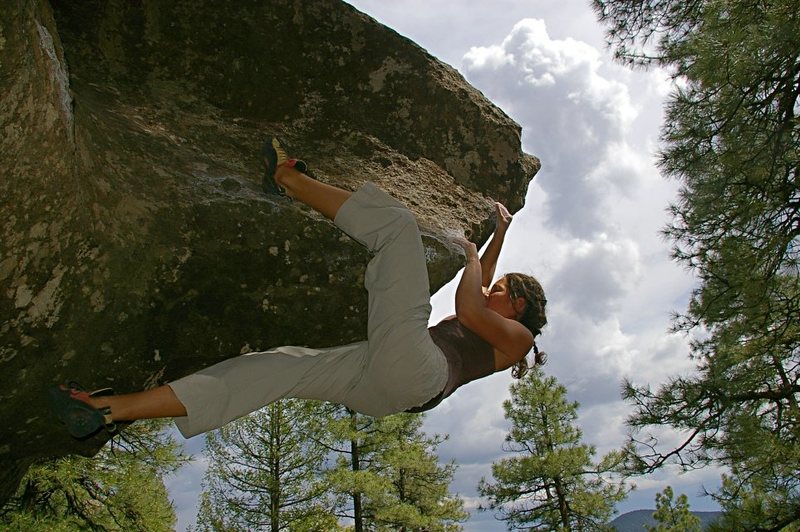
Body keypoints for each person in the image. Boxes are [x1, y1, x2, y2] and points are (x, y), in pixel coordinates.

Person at [48, 138, 548, 439]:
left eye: (499, 288)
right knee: (270, 369)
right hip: (385, 385)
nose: (488, 288)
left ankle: (289, 179)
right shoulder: (501, 335)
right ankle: (110, 408)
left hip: (418, 371)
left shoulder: (518, 340)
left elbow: (470, 301)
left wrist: (467, 257)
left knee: (397, 228)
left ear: (518, 305)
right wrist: (498, 235)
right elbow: (484, 294)